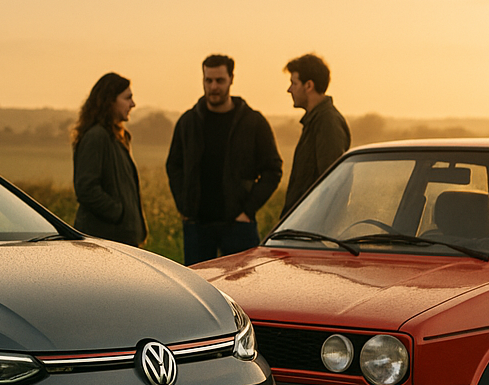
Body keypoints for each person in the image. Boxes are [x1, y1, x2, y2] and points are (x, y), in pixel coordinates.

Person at [166, 54, 282, 265]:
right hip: (197, 226)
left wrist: (248, 210)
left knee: (245, 290)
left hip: (238, 226)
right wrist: (184, 207)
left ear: (231, 79)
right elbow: (174, 165)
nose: (213, 87)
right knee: (197, 291)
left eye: (220, 80)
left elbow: (273, 169)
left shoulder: (253, 122)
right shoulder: (188, 121)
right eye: (208, 80)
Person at [71, 72, 147, 246]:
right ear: (109, 101)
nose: (133, 104)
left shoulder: (119, 137)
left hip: (119, 241)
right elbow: (86, 189)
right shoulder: (96, 137)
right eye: (127, 98)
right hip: (104, 243)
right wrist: (118, 213)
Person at [280, 53, 350, 217]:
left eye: (294, 83)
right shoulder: (316, 121)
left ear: (309, 86)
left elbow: (333, 184)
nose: (289, 89)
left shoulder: (327, 123)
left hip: (313, 227)